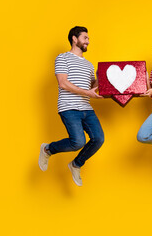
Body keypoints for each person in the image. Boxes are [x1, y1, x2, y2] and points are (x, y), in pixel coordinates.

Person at [39, 26, 104, 186]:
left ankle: (76, 164)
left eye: (88, 38)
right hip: (68, 107)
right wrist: (88, 93)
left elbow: (91, 86)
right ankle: (48, 149)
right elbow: (63, 83)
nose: (88, 41)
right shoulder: (63, 58)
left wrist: (102, 77)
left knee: (99, 139)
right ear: (75, 39)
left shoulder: (89, 65)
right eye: (85, 37)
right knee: (78, 142)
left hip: (86, 108)